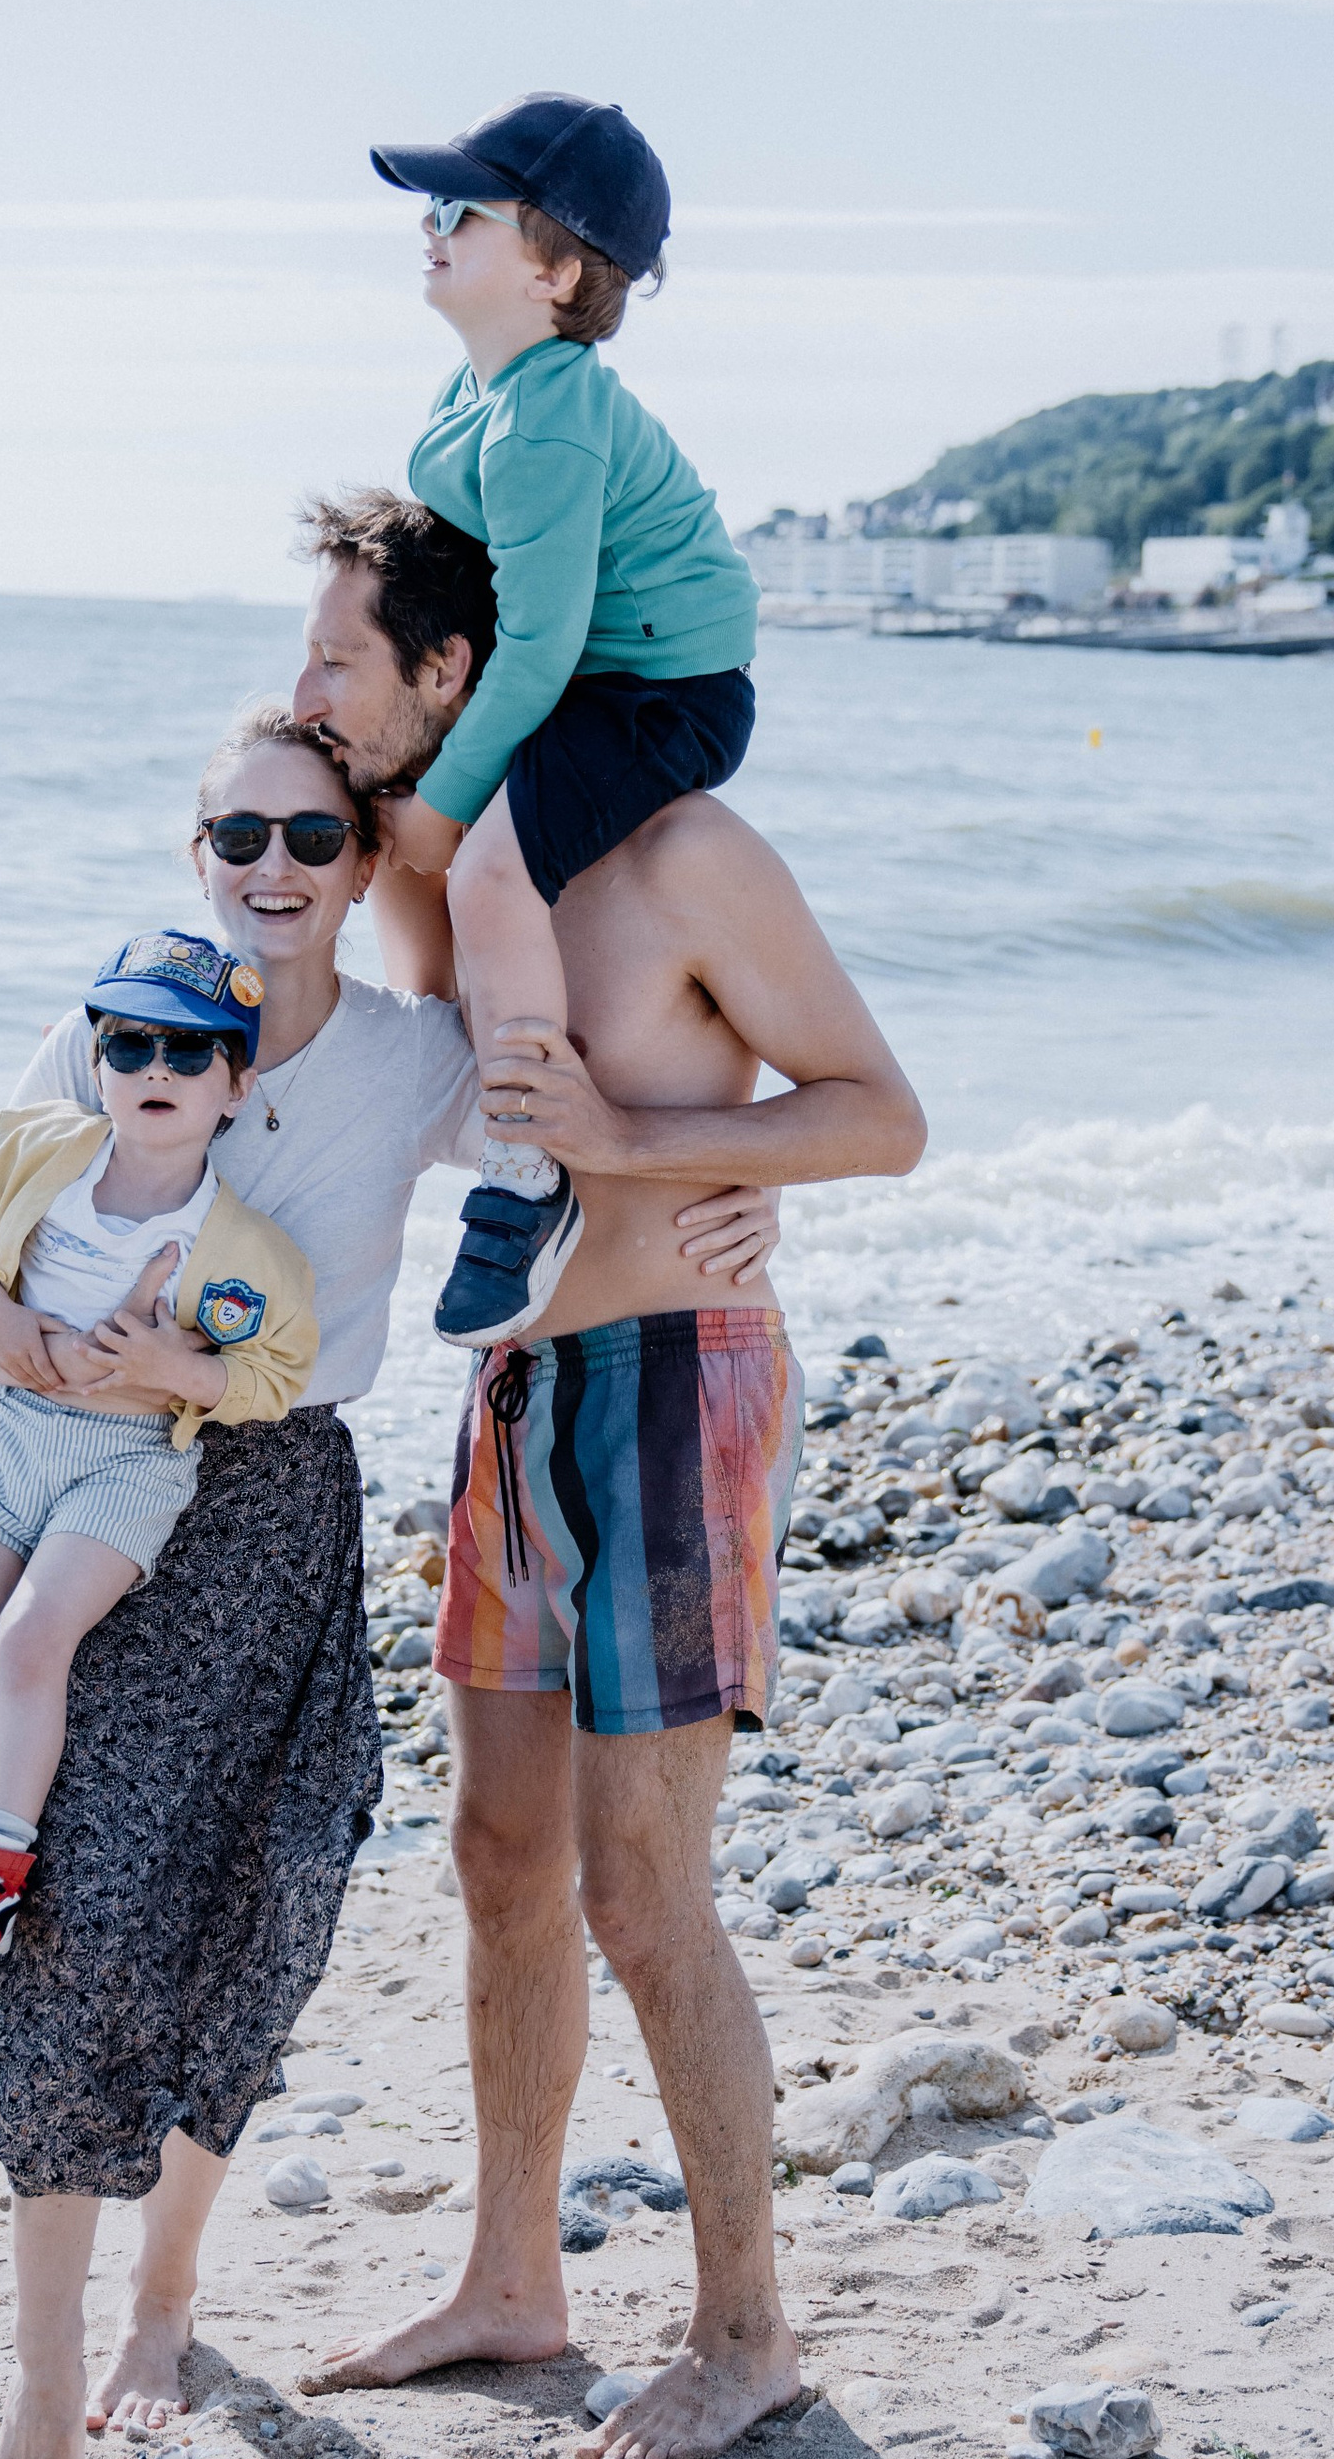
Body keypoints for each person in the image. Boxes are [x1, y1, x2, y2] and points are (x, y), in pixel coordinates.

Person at [0, 695, 782, 2459]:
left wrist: (754, 1188)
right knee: (68, 1912)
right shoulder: (105, 1033)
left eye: (316, 837)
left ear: (370, 859)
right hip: (88, 1479)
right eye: (242, 837)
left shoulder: (413, 1054)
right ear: (197, 853)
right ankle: (41, 2384)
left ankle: (168, 2305)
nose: (277, 868)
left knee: (263, 1906)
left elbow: (577, 1141)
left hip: (280, 1507)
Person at [294, 493, 927, 2459]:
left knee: (642, 1890)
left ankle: (746, 2335)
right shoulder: (437, 872)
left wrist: (651, 1144)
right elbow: (414, 1077)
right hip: (514, 1404)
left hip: (674, 1387)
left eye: (337, 657)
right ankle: (513, 2282)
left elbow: (881, 1115)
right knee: (497, 1864)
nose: (308, 685)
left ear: (447, 676)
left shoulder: (684, 855)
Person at [0, 930, 315, 1982]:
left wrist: (169, 1366)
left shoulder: (244, 1250)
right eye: (130, 1044)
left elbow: (274, 1377)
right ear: (94, 1063)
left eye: (190, 1053)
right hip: (8, 1433)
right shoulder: (34, 1152)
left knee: (28, 1638)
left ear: (236, 1087)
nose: (155, 1070)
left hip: (130, 1457)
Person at [363, 91, 763, 1350]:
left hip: (663, 691)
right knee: (461, 862)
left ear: (554, 267)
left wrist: (436, 811)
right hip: (593, 666)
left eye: (462, 209)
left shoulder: (548, 418)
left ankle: (525, 1174)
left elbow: (538, 650)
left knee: (486, 879)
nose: (429, 224)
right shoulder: (474, 390)